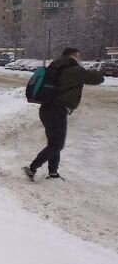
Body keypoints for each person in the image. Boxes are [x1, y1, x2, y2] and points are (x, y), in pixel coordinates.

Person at [24, 47, 104, 181]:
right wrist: (100, 72)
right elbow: (97, 79)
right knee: (57, 144)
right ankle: (32, 168)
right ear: (76, 55)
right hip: (57, 110)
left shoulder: (56, 65)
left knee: (54, 143)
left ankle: (53, 173)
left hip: (47, 108)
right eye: (80, 56)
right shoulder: (75, 69)